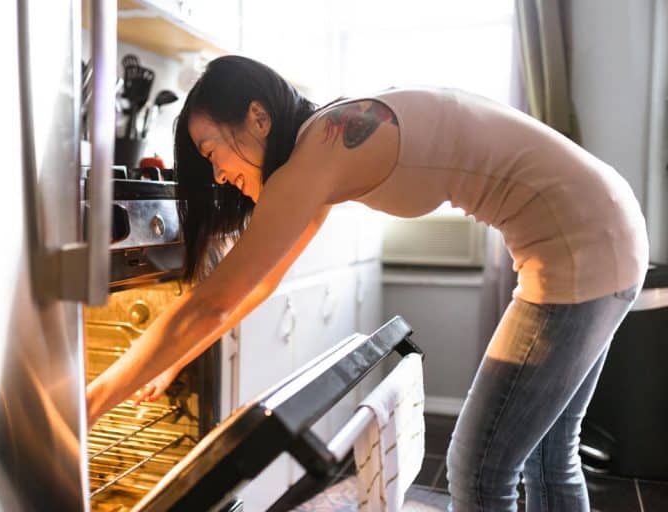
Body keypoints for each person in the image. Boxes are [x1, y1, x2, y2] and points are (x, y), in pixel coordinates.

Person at [86, 55, 649, 511]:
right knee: (549, 455)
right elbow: (254, 288)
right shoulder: (322, 145)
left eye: (212, 151)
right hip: (605, 225)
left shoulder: (316, 155)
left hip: (577, 243)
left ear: (257, 116)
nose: (217, 174)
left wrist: (91, 401)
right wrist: (171, 363)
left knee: (479, 469)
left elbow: (210, 304)